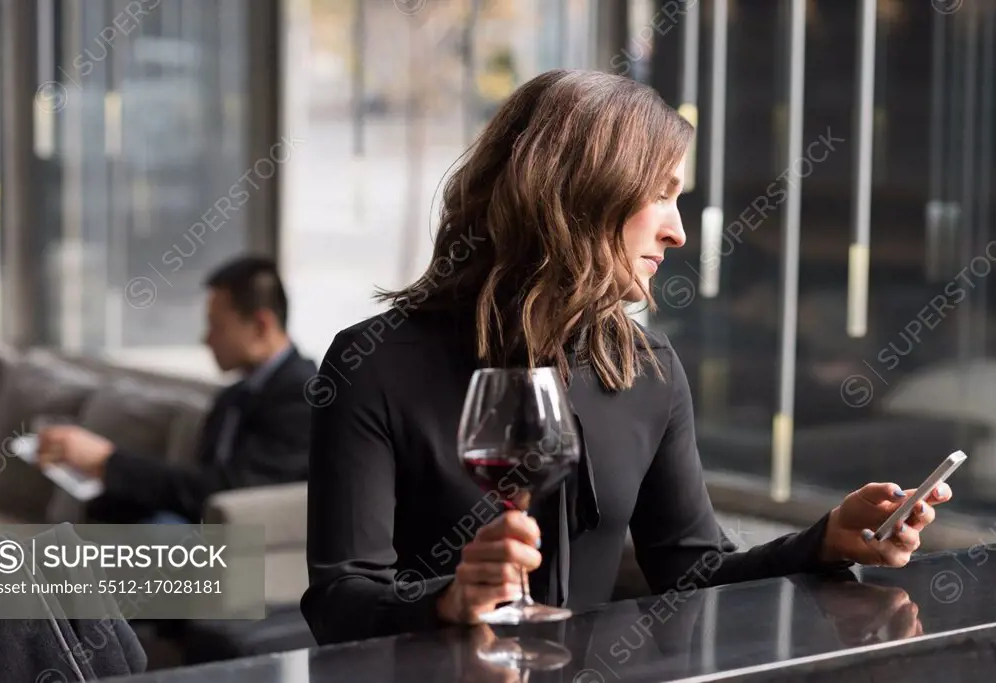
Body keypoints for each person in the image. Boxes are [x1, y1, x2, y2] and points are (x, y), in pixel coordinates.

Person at [301, 69, 952, 645]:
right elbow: (339, 601)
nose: (679, 229)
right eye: (661, 193)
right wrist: (449, 598)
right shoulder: (373, 363)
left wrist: (828, 536)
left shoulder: (649, 365)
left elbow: (693, 569)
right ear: (583, 196)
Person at [37, 256, 318, 524]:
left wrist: (107, 461)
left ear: (260, 326)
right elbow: (196, 488)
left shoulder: (304, 396)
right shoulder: (232, 398)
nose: (206, 339)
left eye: (217, 326)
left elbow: (230, 493)